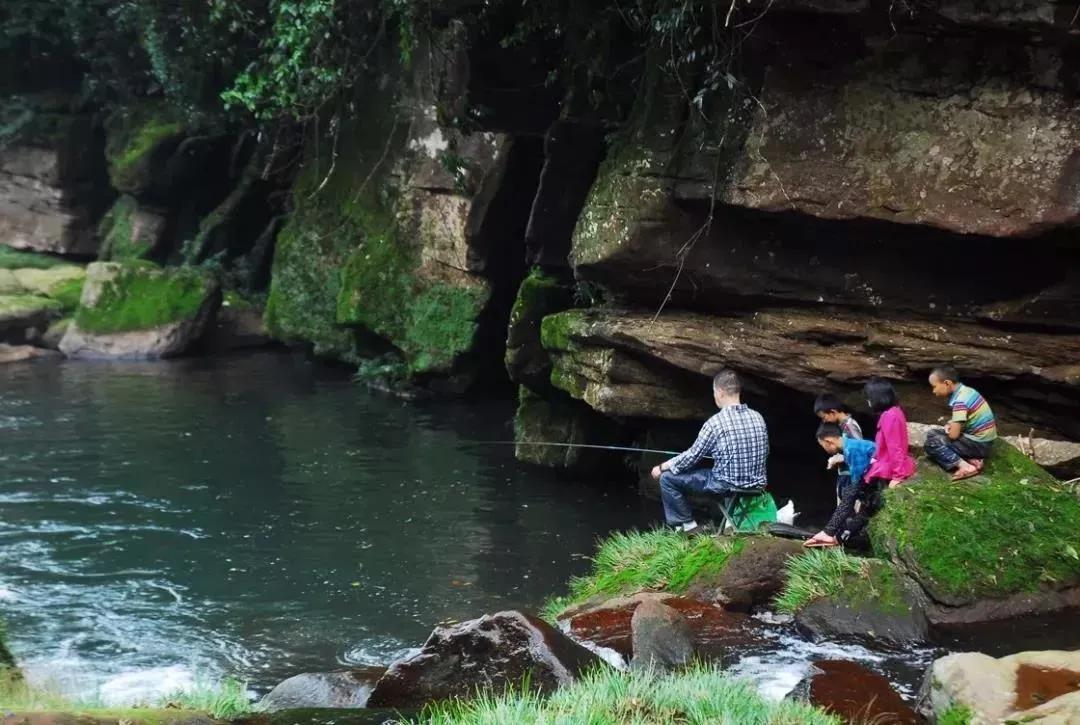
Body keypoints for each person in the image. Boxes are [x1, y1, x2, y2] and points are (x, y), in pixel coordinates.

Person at [650, 369, 769, 535]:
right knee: (729, 472)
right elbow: (764, 452)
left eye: (714, 393)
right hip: (756, 485)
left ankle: (688, 527)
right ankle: (730, 523)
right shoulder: (758, 418)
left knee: (667, 479)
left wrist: (663, 466)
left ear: (720, 393)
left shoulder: (715, 423)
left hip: (726, 485)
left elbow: (692, 457)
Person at [804, 422, 877, 547]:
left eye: (823, 446)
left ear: (828, 441)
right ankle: (835, 537)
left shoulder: (853, 450)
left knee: (855, 501)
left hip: (881, 483)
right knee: (860, 509)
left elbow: (853, 491)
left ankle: (830, 535)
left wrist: (828, 530)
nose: (825, 450)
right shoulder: (850, 448)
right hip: (873, 483)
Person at [926, 364, 997, 481]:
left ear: (947, 383)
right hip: (984, 440)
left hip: (979, 444)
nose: (933, 391)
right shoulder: (967, 391)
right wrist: (952, 425)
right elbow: (966, 419)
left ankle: (967, 467)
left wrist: (951, 429)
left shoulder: (960, 402)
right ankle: (974, 459)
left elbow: (953, 436)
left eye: (934, 386)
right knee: (932, 433)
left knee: (932, 444)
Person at [863, 377, 916, 489]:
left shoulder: (889, 416)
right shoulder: (895, 411)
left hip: (888, 467)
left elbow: (895, 447)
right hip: (885, 461)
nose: (868, 401)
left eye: (869, 398)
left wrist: (898, 476)